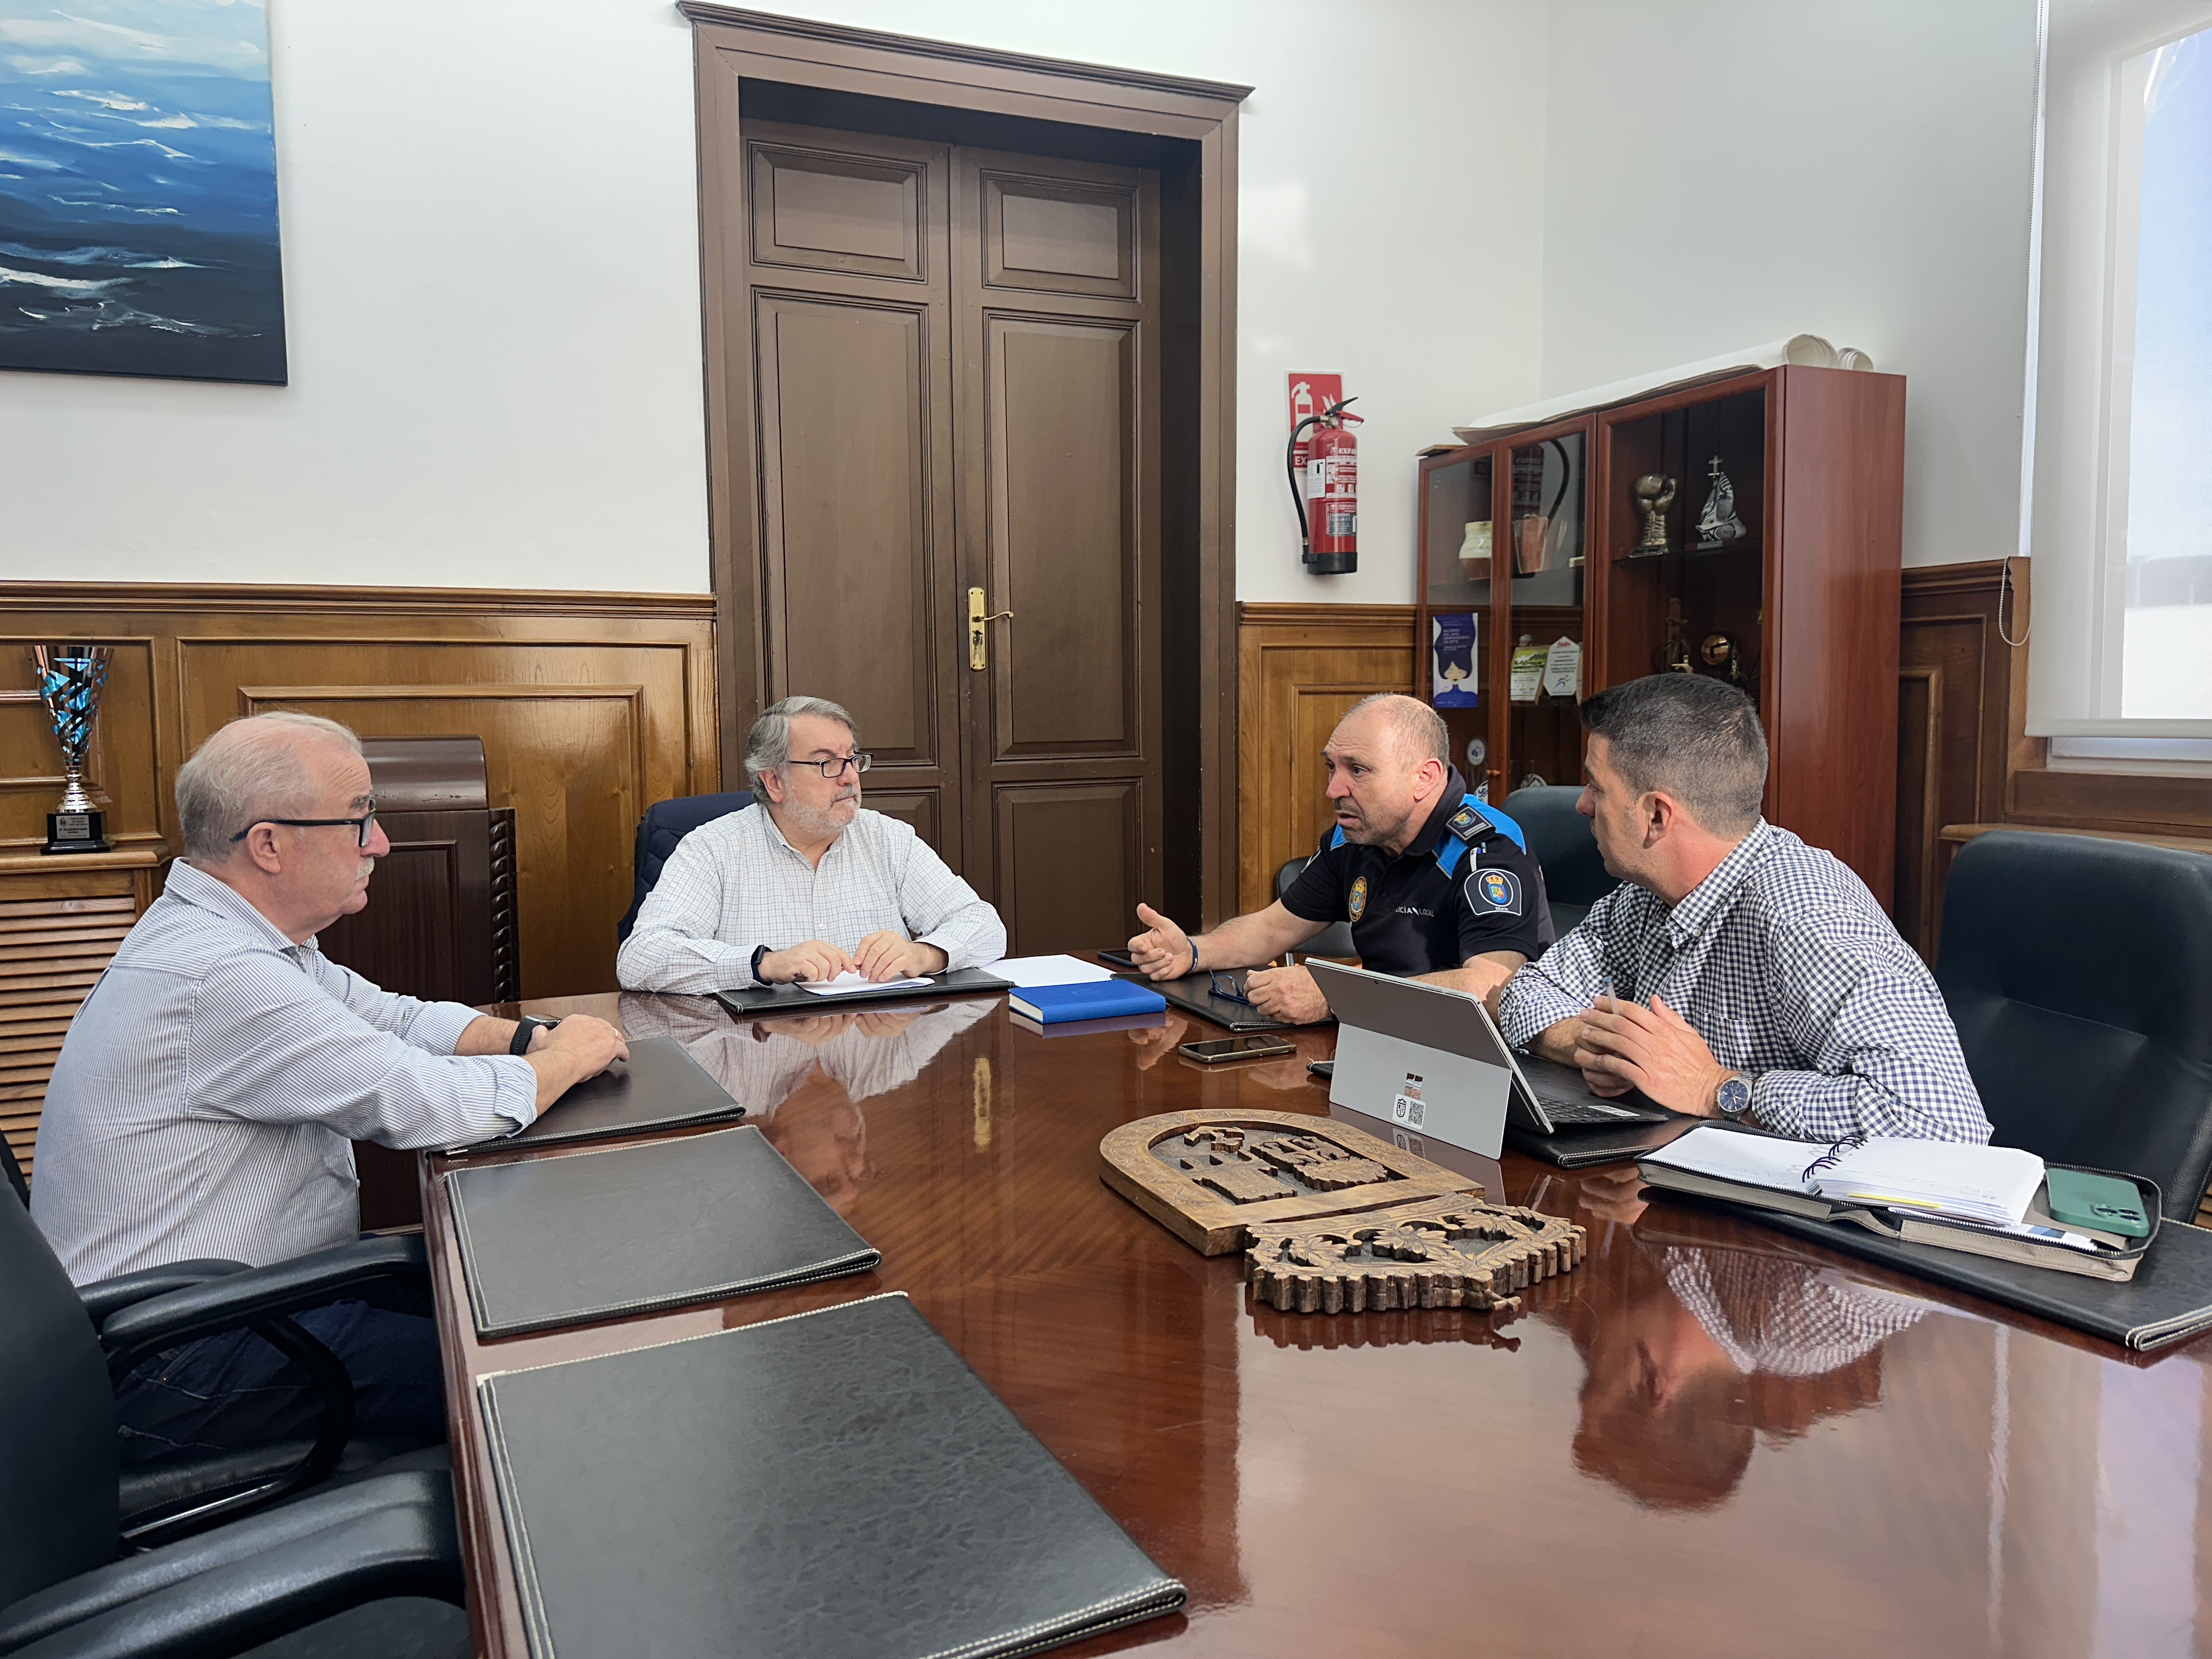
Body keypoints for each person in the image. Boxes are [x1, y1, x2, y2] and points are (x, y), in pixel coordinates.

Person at [32, 712, 628, 1464]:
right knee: (543, 1378)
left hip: (245, 1304)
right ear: (269, 845)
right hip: (182, 1358)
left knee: (524, 1299)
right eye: (359, 819)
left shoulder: (241, 937)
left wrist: (526, 1040)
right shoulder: (221, 974)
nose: (380, 844)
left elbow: (395, 1017)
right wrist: (569, 1058)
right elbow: (426, 1105)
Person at [1488, 674, 1990, 1142]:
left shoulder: (1804, 913)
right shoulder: (1644, 895)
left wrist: (1716, 1089)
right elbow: (1527, 993)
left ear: (1657, 815)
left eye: (1596, 787)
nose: (1582, 805)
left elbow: (1941, 1123)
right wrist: (1607, 1047)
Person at [1125, 692, 1549, 1024]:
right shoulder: (1356, 836)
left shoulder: (1486, 848)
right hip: (1379, 1034)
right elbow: (1274, 927)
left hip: (1477, 1059)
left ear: (1425, 778)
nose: (1333, 789)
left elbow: (1490, 987)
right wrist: (1192, 951)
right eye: (1332, 767)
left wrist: (1337, 997)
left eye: (1357, 770)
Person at [617, 696, 1006, 992]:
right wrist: (764, 964)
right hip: (762, 1050)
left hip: (874, 1047)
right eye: (826, 763)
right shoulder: (712, 849)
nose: (849, 777)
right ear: (774, 781)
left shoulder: (888, 839)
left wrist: (924, 954)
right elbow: (641, 957)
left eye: (852, 759)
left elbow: (985, 926)